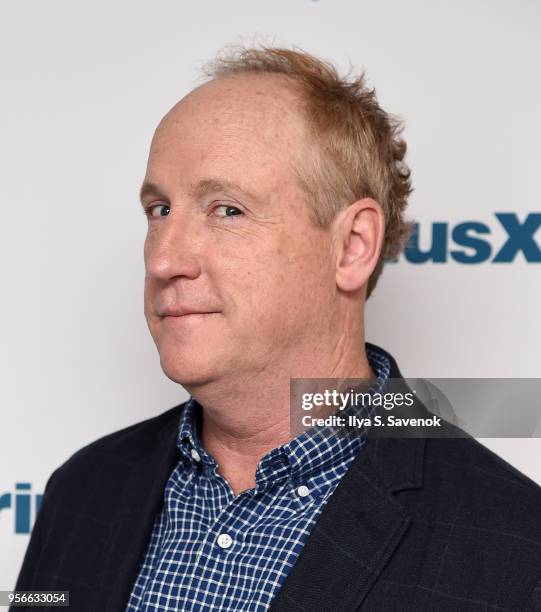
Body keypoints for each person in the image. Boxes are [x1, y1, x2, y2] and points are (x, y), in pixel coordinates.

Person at [13, 46, 541, 611]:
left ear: (352, 246)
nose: (164, 259)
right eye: (159, 209)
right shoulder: (84, 488)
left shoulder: (517, 550)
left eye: (227, 210)